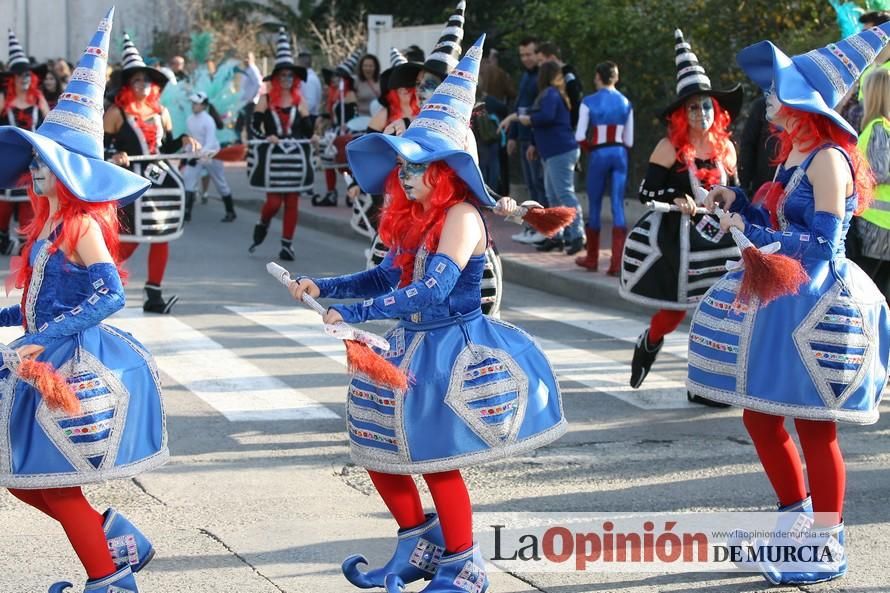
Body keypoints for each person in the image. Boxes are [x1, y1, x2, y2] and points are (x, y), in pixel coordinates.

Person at [294, 35, 565, 593]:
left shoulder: (462, 216)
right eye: (402, 165)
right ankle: (418, 539)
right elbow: (386, 276)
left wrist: (362, 312)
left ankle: (464, 561)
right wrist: (325, 286)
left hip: (448, 347)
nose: (403, 174)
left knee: (437, 460)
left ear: (444, 169)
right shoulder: (417, 216)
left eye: (415, 167)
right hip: (408, 344)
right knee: (375, 446)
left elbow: (431, 291)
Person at [690, 25, 890, 585]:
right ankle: (794, 520)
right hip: (779, 299)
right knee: (759, 416)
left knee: (815, 427)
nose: (768, 98)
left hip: (815, 305)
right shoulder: (792, 154)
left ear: (805, 101)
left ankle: (827, 540)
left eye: (778, 90)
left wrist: (757, 235)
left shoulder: (829, 159)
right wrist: (731, 211)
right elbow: (769, 224)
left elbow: (825, 244)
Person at [0, 10, 167, 593]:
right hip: (41, 357)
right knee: (22, 477)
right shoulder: (48, 224)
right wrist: (10, 318)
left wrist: (40, 338)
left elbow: (112, 294)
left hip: (67, 366)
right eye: (37, 163)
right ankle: (116, 537)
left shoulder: (82, 227)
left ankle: (109, 577)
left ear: (74, 173)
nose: (37, 173)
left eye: (49, 165)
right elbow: (42, 298)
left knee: (51, 478)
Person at [621, 29, 742, 407]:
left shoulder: (726, 148)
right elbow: (646, 192)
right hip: (680, 241)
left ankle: (702, 384)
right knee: (674, 316)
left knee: (720, 314)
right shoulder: (669, 147)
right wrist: (677, 196)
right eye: (693, 107)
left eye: (707, 107)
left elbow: (738, 193)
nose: (702, 113)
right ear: (681, 113)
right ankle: (649, 342)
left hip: (720, 241)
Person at [104, 33, 193, 314]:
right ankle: (99, 287)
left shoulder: (161, 112)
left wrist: (185, 141)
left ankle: (154, 296)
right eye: (137, 80)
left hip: (160, 181)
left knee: (161, 236)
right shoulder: (116, 112)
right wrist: (114, 156)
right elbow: (100, 148)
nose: (143, 85)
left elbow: (166, 146)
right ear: (128, 84)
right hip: (129, 183)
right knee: (129, 240)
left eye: (147, 80)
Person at [499, 61, 584, 254]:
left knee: (563, 193)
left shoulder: (551, 94)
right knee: (554, 195)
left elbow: (544, 117)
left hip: (559, 150)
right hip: (553, 150)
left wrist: (521, 119)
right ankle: (558, 234)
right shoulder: (552, 94)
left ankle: (577, 234)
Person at [248, 27, 312, 261]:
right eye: (282, 75)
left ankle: (287, 245)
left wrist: (307, 118)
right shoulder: (265, 99)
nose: (286, 79)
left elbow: (308, 130)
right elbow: (253, 126)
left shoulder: (300, 100)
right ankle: (263, 222)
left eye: (290, 76)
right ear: (275, 78)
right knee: (274, 202)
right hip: (274, 158)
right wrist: (267, 137)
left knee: (293, 201)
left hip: (294, 156)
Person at [573, 61, 633, 274]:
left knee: (595, 205)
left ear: (598, 76)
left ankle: (592, 258)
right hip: (620, 154)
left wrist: (591, 150)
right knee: (617, 204)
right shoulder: (626, 103)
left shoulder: (588, 101)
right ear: (616, 78)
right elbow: (629, 140)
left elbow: (579, 135)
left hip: (598, 154)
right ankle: (616, 263)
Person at [0, 29, 49, 255]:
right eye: (21, 75)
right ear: (13, 78)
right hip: (7, 160)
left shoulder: (38, 99)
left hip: (32, 163)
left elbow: (49, 126)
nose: (25, 78)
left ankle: (25, 252)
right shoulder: (4, 100)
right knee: (3, 212)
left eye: (28, 75)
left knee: (29, 215)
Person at [852, 67, 890, 301]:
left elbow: (880, 171)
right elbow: (881, 171)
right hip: (880, 225)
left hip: (878, 226)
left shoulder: (878, 128)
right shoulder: (880, 129)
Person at [508, 37, 548, 245]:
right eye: (522, 55)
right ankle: (534, 228)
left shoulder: (542, 78)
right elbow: (519, 107)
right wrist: (513, 135)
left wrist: (533, 140)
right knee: (532, 186)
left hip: (535, 140)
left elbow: (537, 112)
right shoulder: (525, 77)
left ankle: (543, 228)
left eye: (529, 54)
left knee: (540, 186)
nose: (526, 59)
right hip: (523, 138)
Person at [314, 49, 361, 206]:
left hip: (348, 132)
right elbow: (333, 113)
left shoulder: (349, 95)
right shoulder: (334, 95)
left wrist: (346, 125)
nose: (334, 79)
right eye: (334, 76)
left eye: (338, 77)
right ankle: (331, 192)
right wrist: (323, 117)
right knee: (329, 160)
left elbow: (353, 115)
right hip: (334, 131)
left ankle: (351, 191)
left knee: (345, 163)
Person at [184, 91, 236, 222]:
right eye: (193, 103)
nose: (193, 105)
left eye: (196, 103)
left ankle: (230, 211)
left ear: (203, 105)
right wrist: (188, 153)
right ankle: (186, 213)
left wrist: (199, 155)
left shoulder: (208, 121)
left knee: (220, 182)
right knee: (188, 180)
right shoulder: (190, 119)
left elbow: (210, 142)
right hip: (197, 156)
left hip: (212, 155)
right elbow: (191, 140)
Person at [738, 92, 779, 196]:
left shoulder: (806, 109)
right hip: (761, 191)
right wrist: (745, 187)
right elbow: (748, 146)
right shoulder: (763, 106)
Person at [537, 42, 583, 128]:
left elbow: (575, 99)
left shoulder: (568, 75)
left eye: (541, 61)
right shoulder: (549, 77)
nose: (539, 65)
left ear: (552, 58)